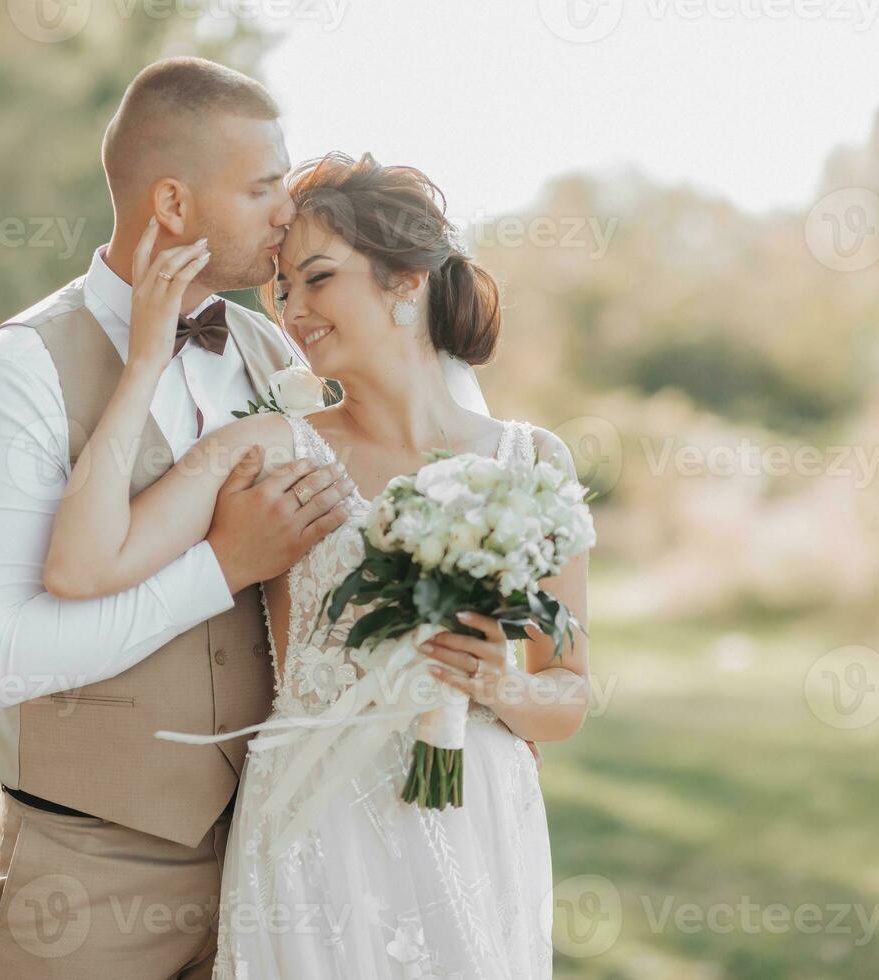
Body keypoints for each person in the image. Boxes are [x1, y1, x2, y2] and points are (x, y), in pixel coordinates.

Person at [43, 150, 592, 978]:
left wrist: (502, 686)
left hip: (478, 818)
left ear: (406, 282)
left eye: (318, 278)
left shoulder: (533, 460)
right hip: (317, 823)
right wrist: (146, 359)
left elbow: (571, 690)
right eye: (282, 288)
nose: (293, 310)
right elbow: (81, 566)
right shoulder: (268, 449)